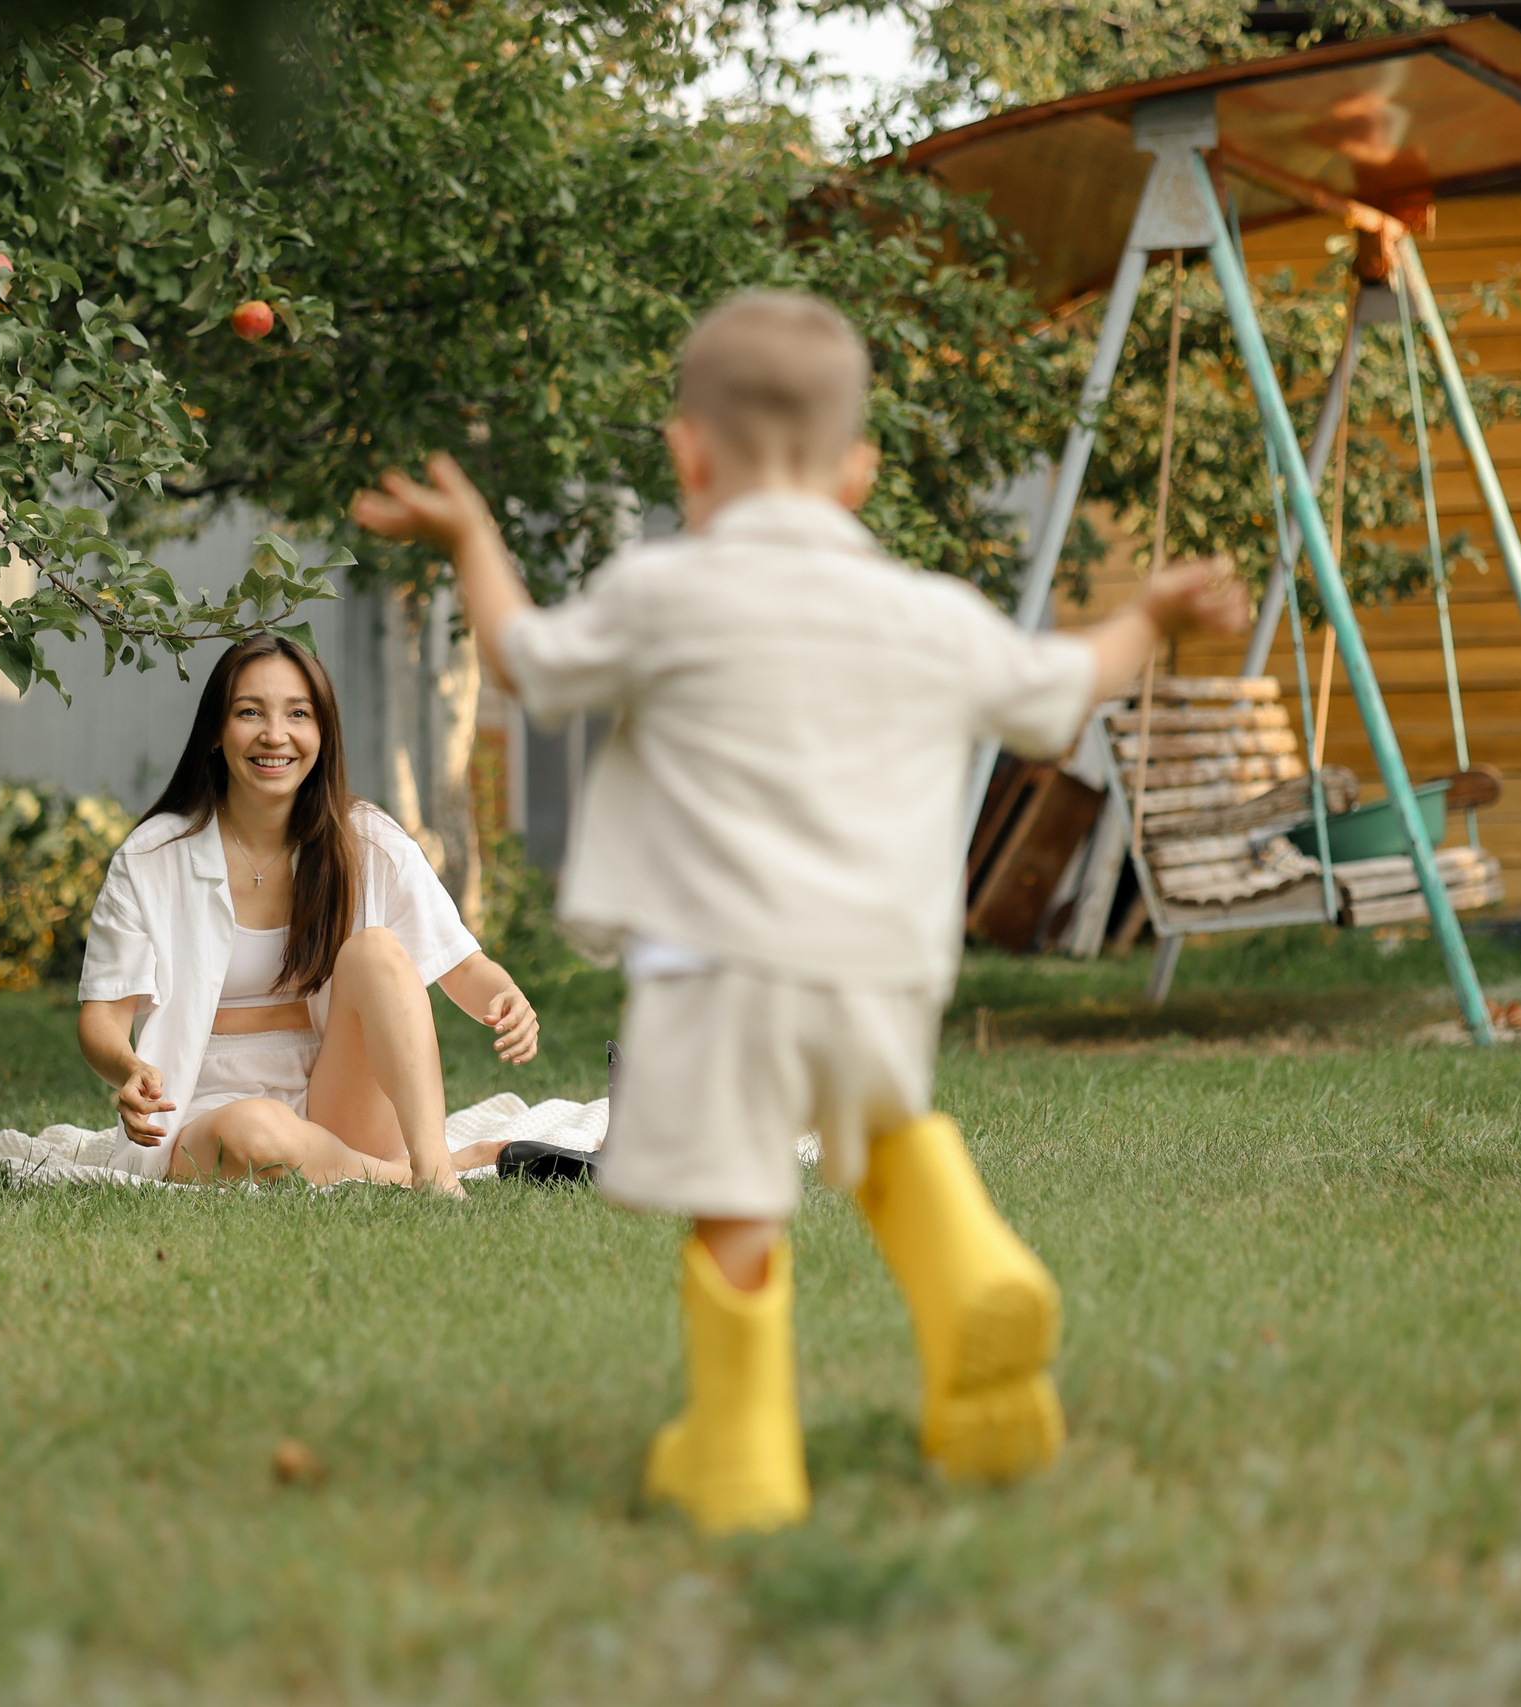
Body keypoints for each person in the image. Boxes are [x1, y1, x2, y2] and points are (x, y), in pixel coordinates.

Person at [353, 290, 1251, 1532]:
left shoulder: (663, 591)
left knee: (736, 1196)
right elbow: (1059, 693)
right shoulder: (920, 609)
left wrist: (470, 542)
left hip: (715, 969)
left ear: (687, 455)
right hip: (877, 966)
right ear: (859, 473)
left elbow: (528, 665)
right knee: (880, 1136)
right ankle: (971, 1270)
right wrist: (1145, 615)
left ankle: (741, 1453)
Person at [75, 632, 539, 1196]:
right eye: (249, 713)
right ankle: (417, 1172)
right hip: (201, 1108)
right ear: (217, 733)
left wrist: (506, 997)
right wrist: (130, 1070)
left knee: (376, 950)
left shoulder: (367, 841)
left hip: (337, 1097)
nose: (276, 735)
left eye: (299, 714)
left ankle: (436, 1173)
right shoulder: (152, 857)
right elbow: (103, 1018)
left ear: (323, 733)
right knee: (256, 1134)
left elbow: (463, 965)